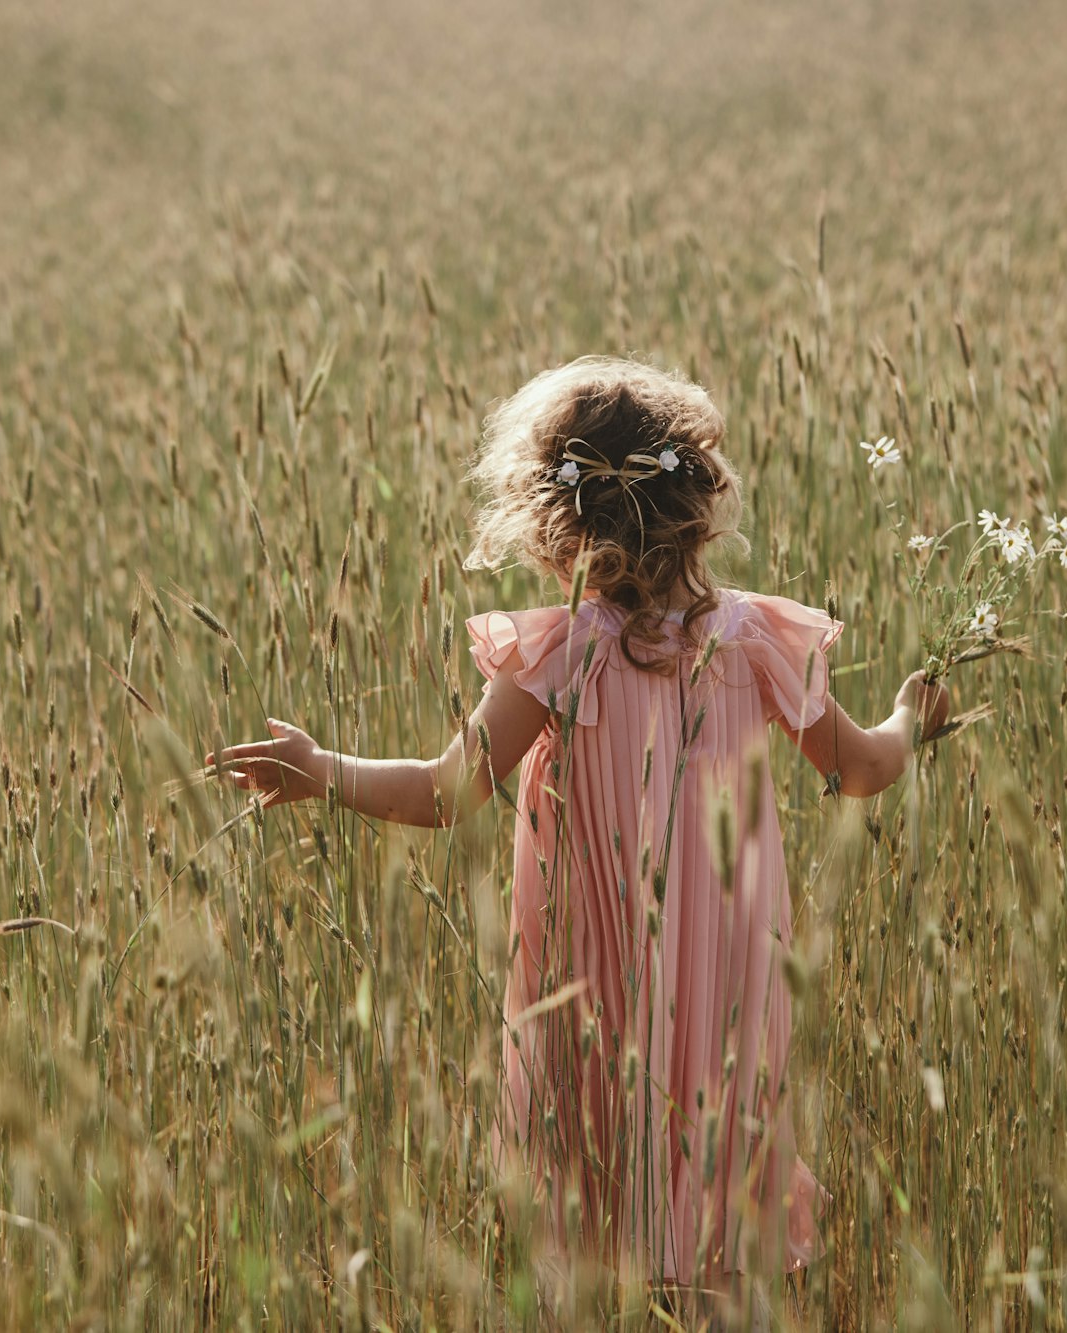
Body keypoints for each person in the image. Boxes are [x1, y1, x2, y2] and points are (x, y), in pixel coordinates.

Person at [208, 356, 949, 1311]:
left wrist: (323, 771)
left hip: (597, 985)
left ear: (561, 520)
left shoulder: (565, 649)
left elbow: (445, 792)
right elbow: (860, 770)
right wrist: (907, 720)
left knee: (600, 1196)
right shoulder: (754, 639)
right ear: (696, 500)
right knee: (720, 1180)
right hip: (728, 985)